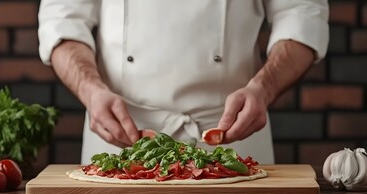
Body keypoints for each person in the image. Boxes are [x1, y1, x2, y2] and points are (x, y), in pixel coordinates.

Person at [38, 1, 329, 165]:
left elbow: (302, 13)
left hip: (231, 143)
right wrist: (91, 91)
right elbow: (62, 20)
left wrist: (263, 89)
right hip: (122, 142)